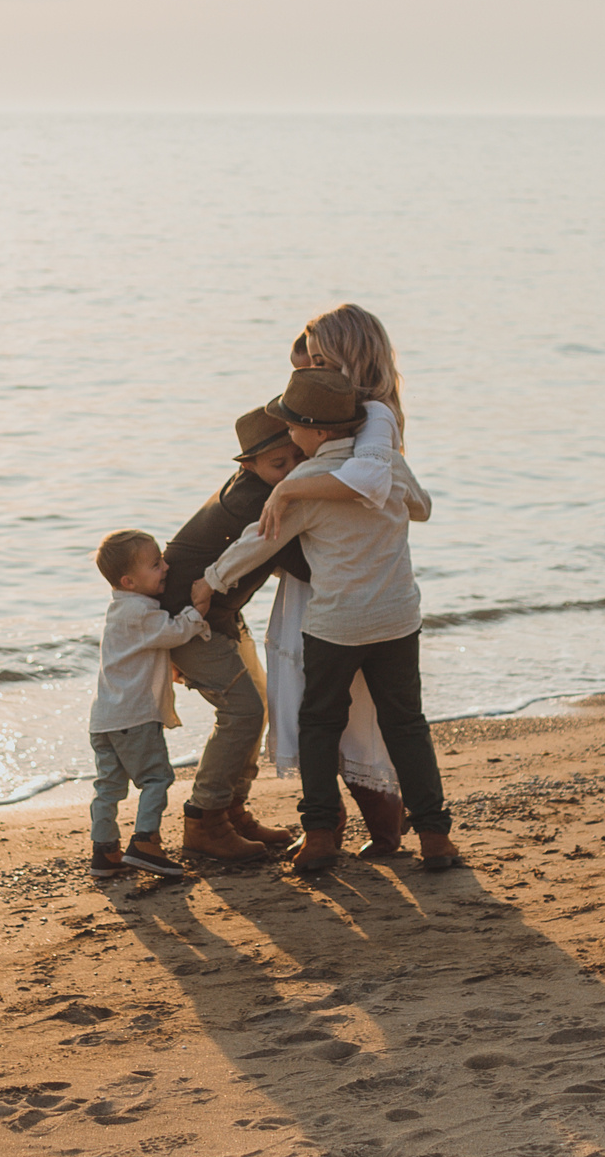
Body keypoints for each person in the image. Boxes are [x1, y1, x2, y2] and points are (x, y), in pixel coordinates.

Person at [195, 366, 463, 876]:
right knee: (406, 724)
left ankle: (319, 836)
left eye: (293, 427)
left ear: (318, 433)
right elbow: (423, 509)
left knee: (318, 724)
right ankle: (435, 837)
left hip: (336, 626)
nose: (290, 437)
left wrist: (211, 579)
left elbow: (260, 540)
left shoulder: (305, 484)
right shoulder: (385, 469)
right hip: (397, 619)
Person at [255, 306, 412, 853]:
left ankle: (374, 821)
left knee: (341, 707)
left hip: (343, 580)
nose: (312, 373)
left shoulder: (372, 415)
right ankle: (332, 822)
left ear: (354, 357)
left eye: (323, 361)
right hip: (327, 569)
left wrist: (288, 491)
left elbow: (372, 479)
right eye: (307, 364)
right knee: (320, 702)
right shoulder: (345, 411)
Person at [155, 408, 308, 862]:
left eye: (299, 457)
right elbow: (302, 563)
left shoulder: (270, 488)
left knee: (256, 704)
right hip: (187, 618)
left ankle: (233, 809)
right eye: (279, 464)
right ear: (248, 467)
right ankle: (205, 819)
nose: (293, 470)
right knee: (243, 710)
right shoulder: (256, 501)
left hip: (219, 615)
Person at [86, 529, 204, 879]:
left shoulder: (120, 610)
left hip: (104, 720)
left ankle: (104, 851)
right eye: (156, 564)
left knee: (108, 787)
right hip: (134, 718)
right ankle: (146, 843)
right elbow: (175, 632)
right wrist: (197, 613)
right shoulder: (140, 612)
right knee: (156, 778)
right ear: (130, 581)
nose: (166, 567)